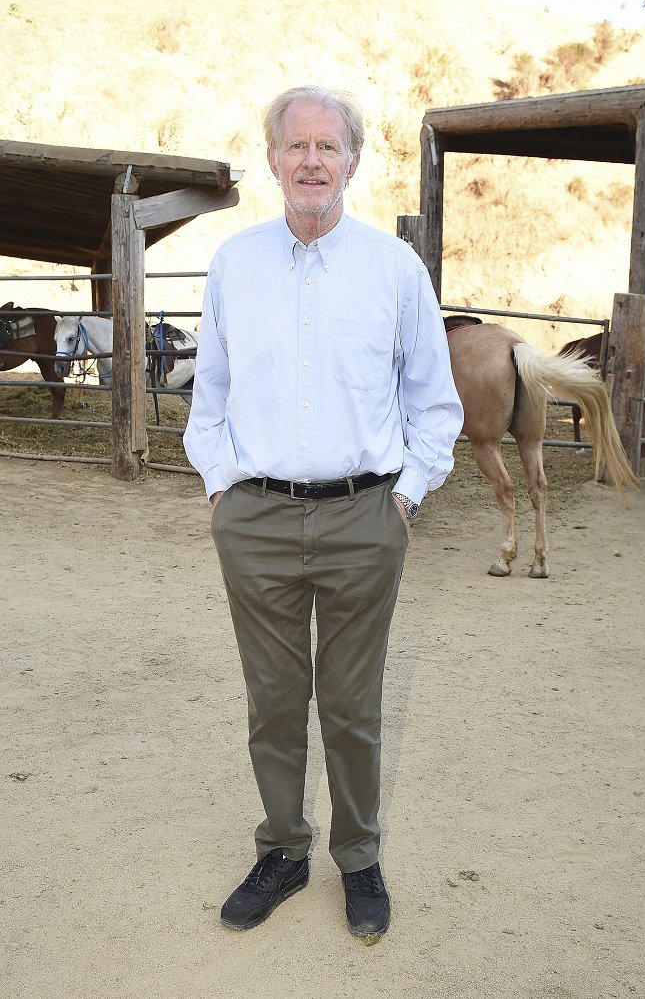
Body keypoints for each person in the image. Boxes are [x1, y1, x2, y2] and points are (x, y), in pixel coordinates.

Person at [183, 84, 463, 940]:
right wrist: (222, 486)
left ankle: (359, 857)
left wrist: (407, 494)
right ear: (271, 159)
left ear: (352, 160)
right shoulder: (236, 263)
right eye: (295, 146)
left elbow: (433, 402)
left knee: (350, 703)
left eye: (327, 147)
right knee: (272, 701)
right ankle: (282, 850)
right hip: (255, 520)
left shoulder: (392, 269)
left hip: (363, 517)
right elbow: (213, 393)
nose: (311, 161)